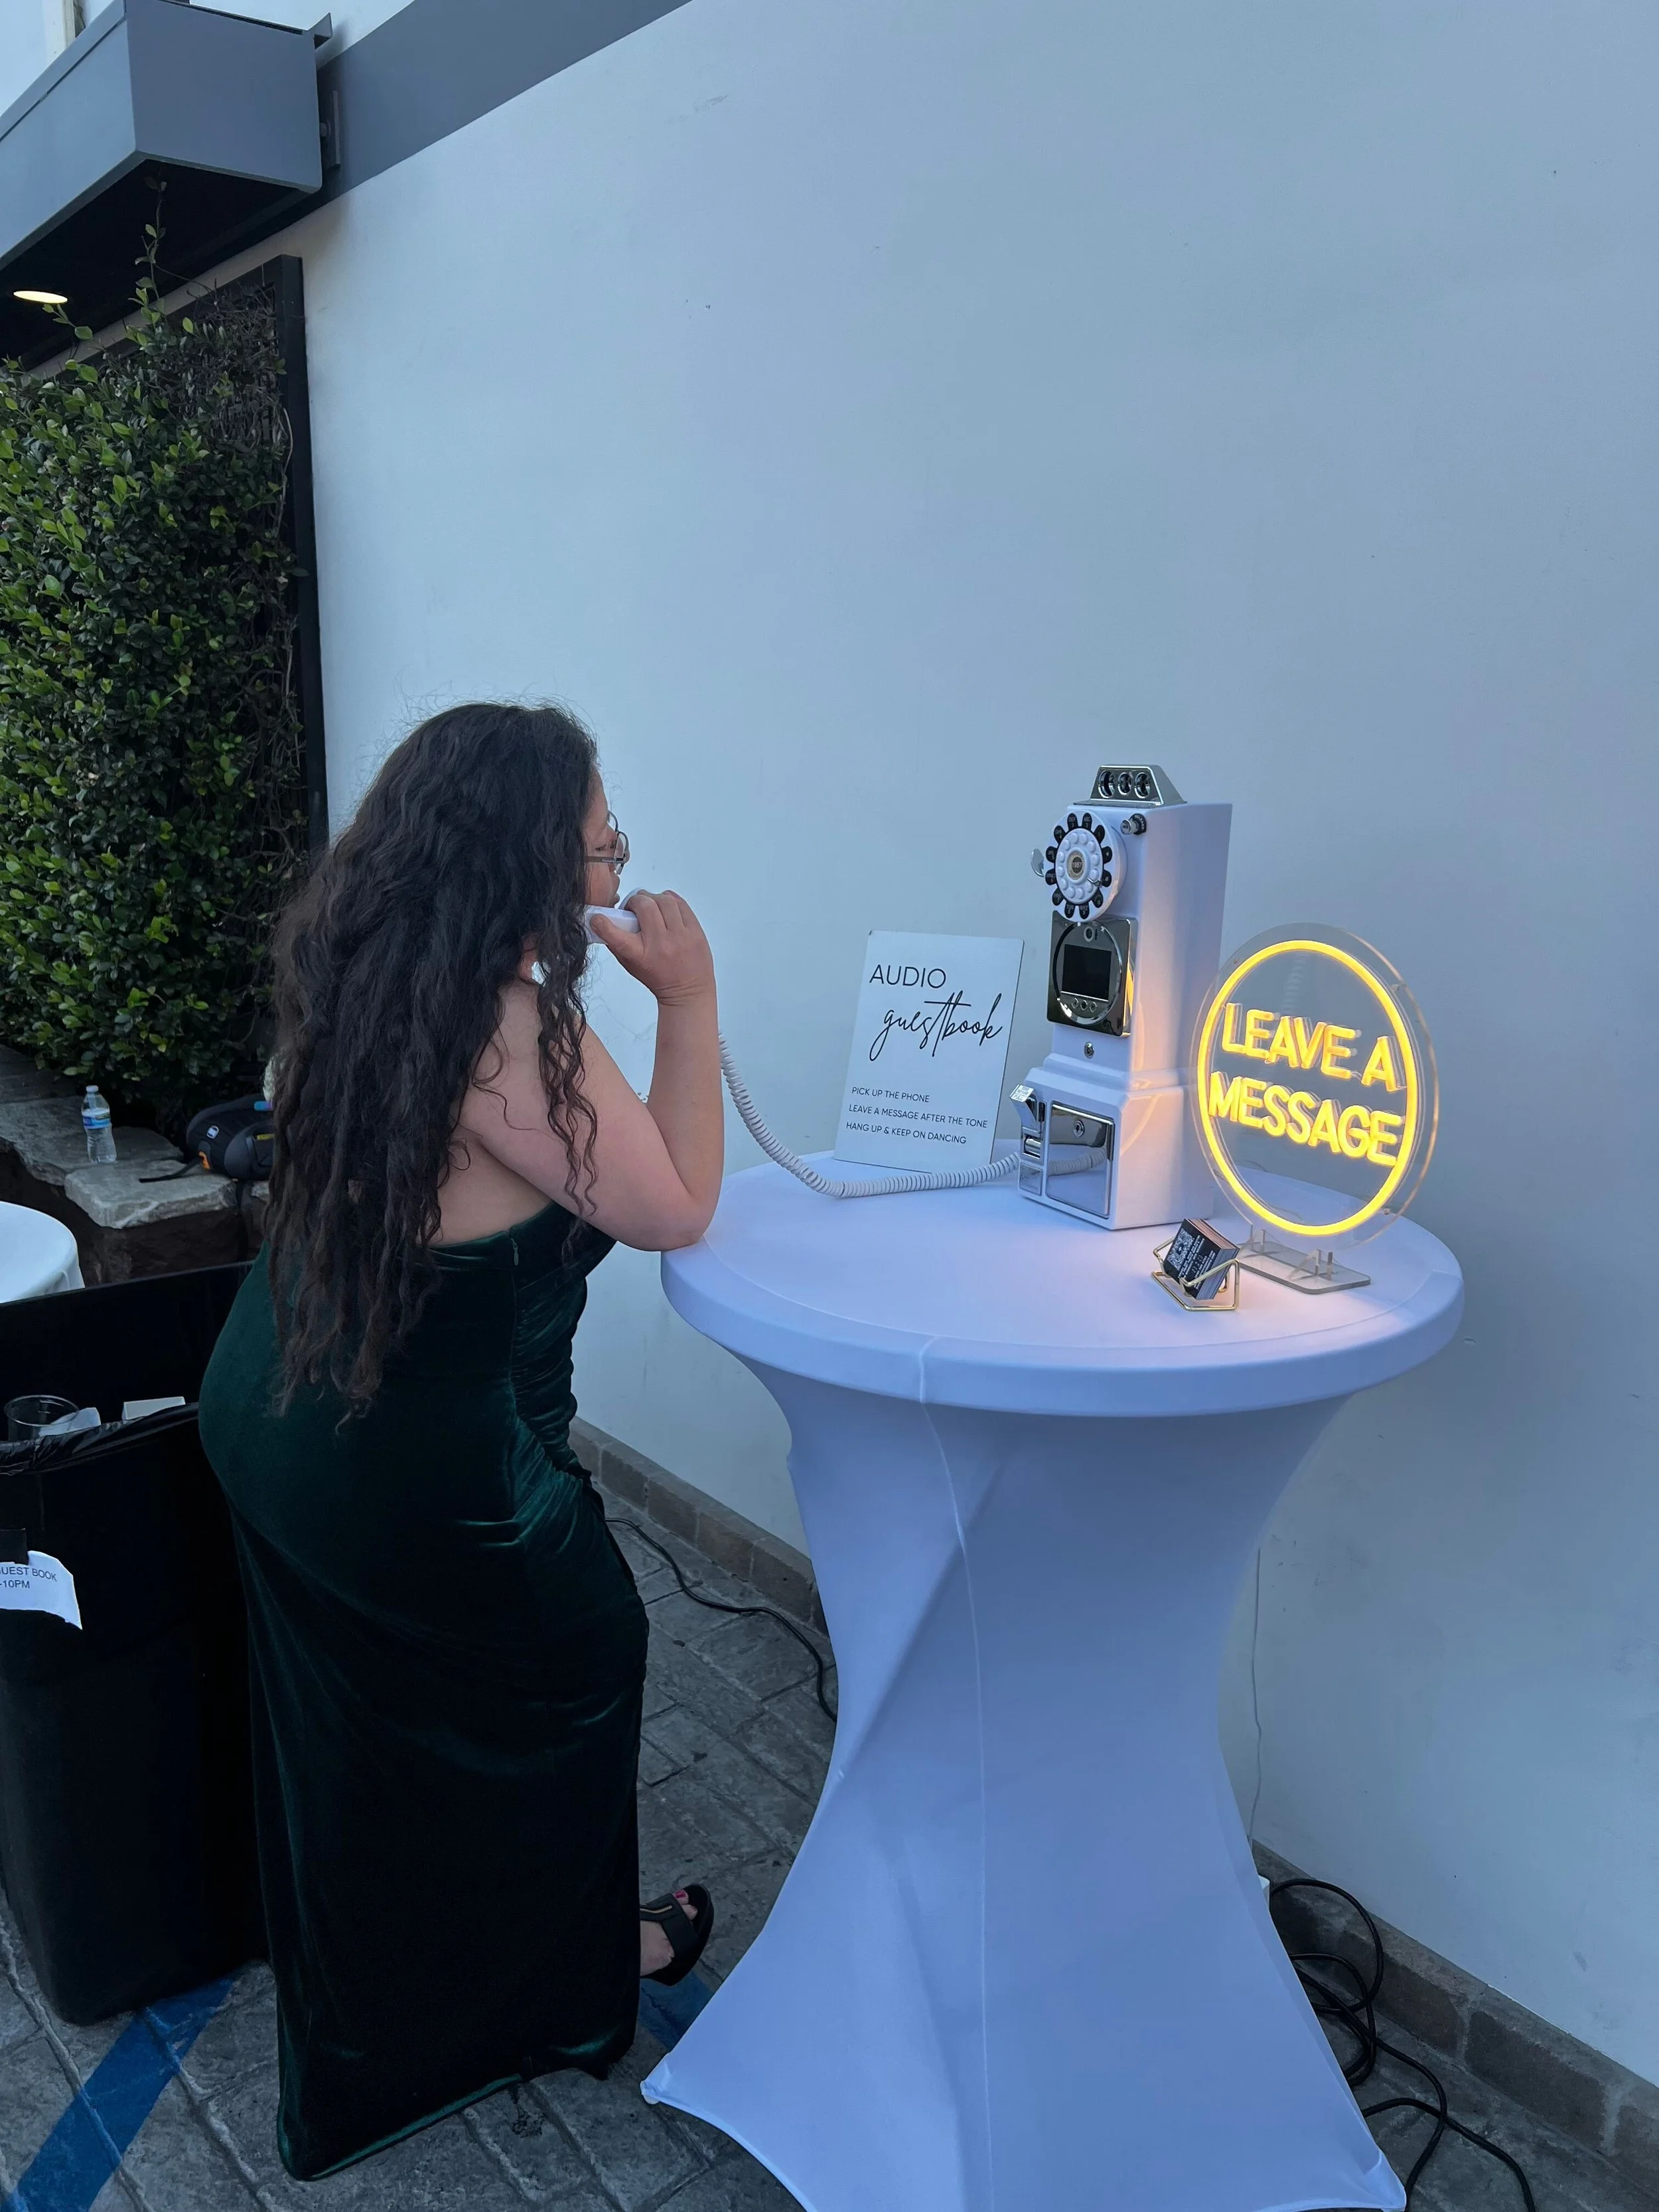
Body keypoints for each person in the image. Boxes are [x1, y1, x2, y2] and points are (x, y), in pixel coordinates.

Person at [198, 701, 722, 2179]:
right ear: (519, 848)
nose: (616, 837)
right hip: (401, 1465)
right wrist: (687, 999)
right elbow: (675, 1204)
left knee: (379, 1716)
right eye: (593, 816)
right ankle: (563, 1979)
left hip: (277, 1406)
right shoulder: (508, 1026)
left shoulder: (369, 972)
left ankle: (412, 1962)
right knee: (582, 1648)